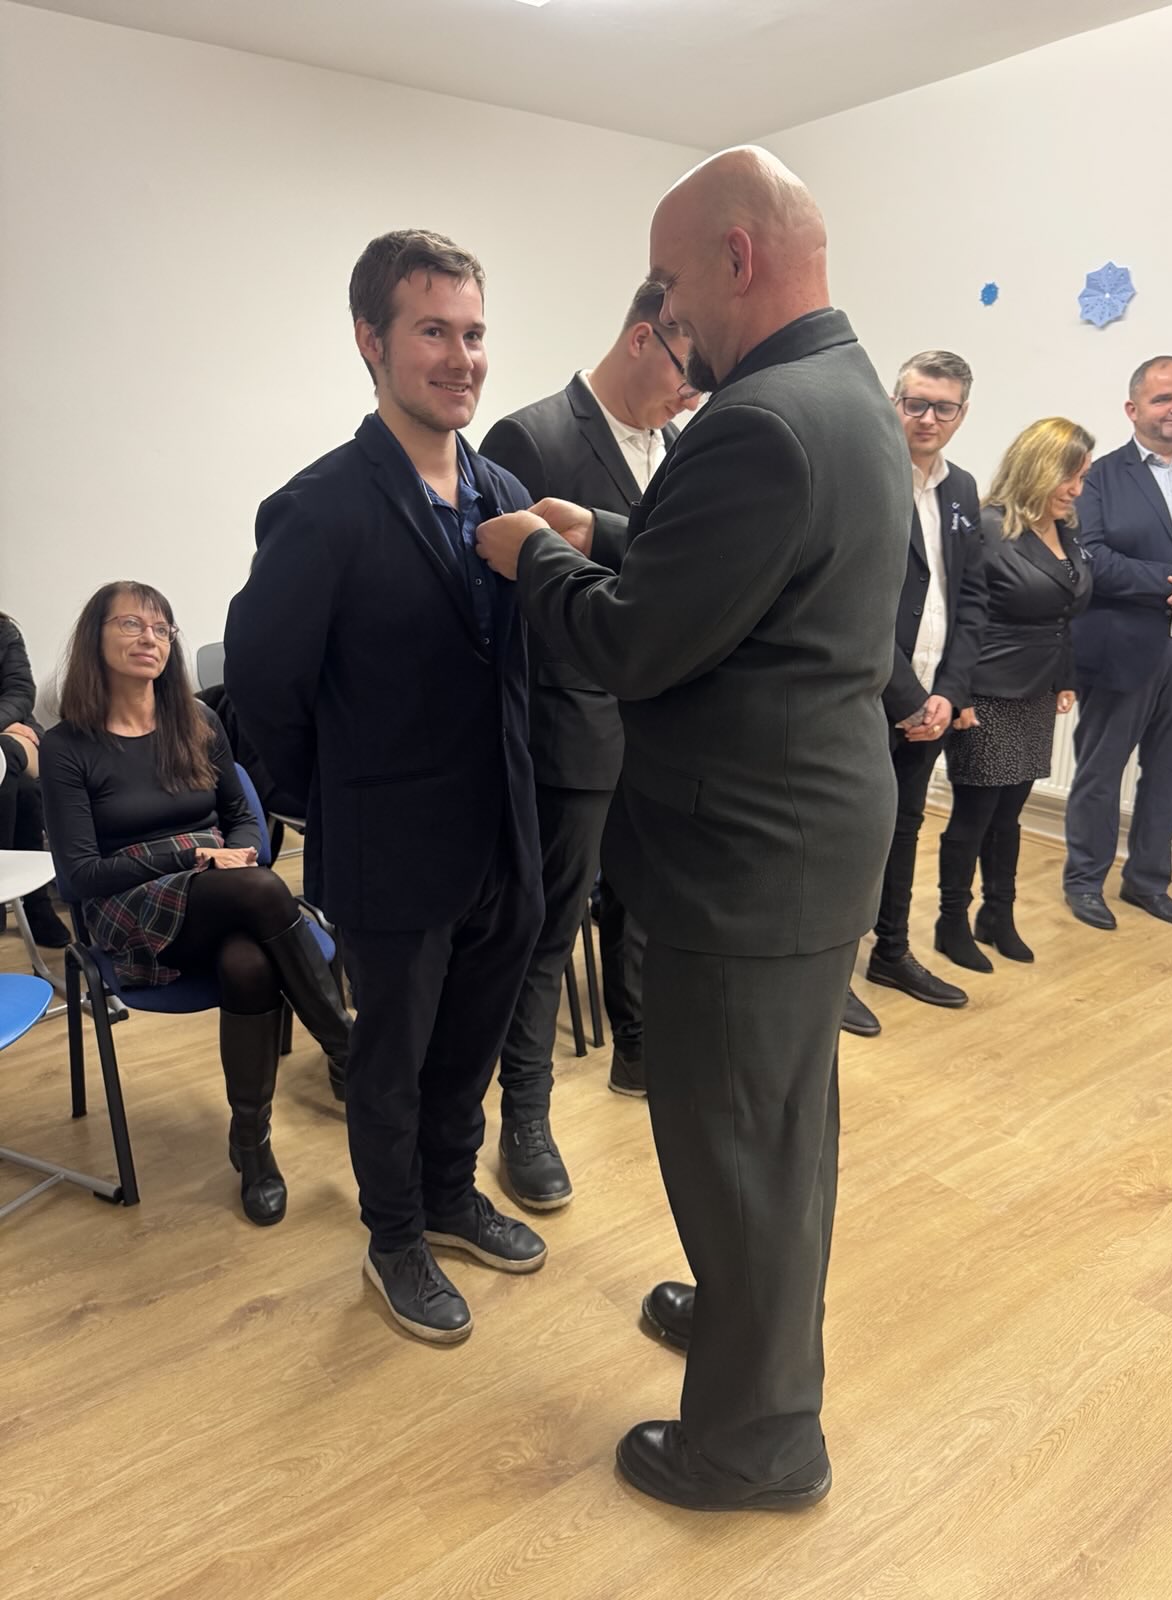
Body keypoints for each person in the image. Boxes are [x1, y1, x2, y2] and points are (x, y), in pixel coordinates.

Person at [476, 147, 910, 1511]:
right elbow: (740, 570)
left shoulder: (759, 419)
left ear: (737, 256)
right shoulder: (842, 393)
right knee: (775, 1131)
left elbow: (637, 643)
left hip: (750, 855)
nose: (665, 314)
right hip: (808, 833)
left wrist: (537, 557)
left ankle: (756, 1441)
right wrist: (606, 526)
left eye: (669, 282)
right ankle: (745, 1326)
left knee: (737, 1147)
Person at [224, 230, 547, 1346]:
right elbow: (262, 688)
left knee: (469, 1047)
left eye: (475, 333)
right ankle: (394, 1234)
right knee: (391, 1061)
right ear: (371, 341)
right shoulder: (318, 507)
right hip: (390, 842)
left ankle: (451, 1193)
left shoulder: (506, 493)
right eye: (434, 332)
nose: (463, 358)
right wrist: (343, 795)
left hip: (504, 834)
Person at [477, 280, 700, 1209]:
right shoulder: (531, 438)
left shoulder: (683, 447)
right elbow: (498, 613)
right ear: (644, 338)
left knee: (645, 913)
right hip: (564, 735)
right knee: (544, 934)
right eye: (688, 369)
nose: (693, 392)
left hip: (663, 735)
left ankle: (636, 1049)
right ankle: (524, 1116)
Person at [39, 583, 352, 1226]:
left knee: (250, 964)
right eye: (131, 624)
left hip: (221, 891)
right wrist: (195, 854)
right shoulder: (68, 746)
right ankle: (348, 1048)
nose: (149, 638)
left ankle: (252, 1145)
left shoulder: (198, 721)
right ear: (95, 637)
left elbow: (244, 818)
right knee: (261, 888)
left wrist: (234, 852)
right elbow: (81, 874)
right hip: (126, 907)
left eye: (162, 628)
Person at [844, 350, 989, 1039]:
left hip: (932, 698)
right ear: (893, 402)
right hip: (866, 694)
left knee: (905, 826)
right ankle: (831, 973)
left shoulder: (962, 490)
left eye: (944, 407)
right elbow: (851, 602)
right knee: (853, 836)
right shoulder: (863, 476)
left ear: (962, 413)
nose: (928, 418)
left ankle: (892, 952)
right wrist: (907, 695)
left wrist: (949, 692)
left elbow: (972, 598)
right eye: (916, 403)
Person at [936, 420, 1094, 971]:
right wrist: (958, 694)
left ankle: (997, 913)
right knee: (974, 815)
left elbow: (1063, 613)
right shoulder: (989, 527)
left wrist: (1066, 677)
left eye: (1083, 477)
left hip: (1036, 693)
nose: (1076, 489)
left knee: (1010, 813)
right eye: (1070, 476)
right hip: (986, 691)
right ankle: (951, 921)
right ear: (1039, 468)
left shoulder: (1065, 529)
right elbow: (964, 617)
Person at [1063, 356, 1172, 929]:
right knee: (1100, 772)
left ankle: (1147, 881)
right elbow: (1090, 555)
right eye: (1163, 398)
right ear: (1133, 408)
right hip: (1122, 647)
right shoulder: (1099, 475)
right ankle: (1084, 881)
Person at [0, 611, 73, 947]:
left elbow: (19, 692)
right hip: (10, 740)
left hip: (13, 733)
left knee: (8, 756)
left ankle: (20, 896)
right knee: (25, 789)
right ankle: (35, 902)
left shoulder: (3, 631)